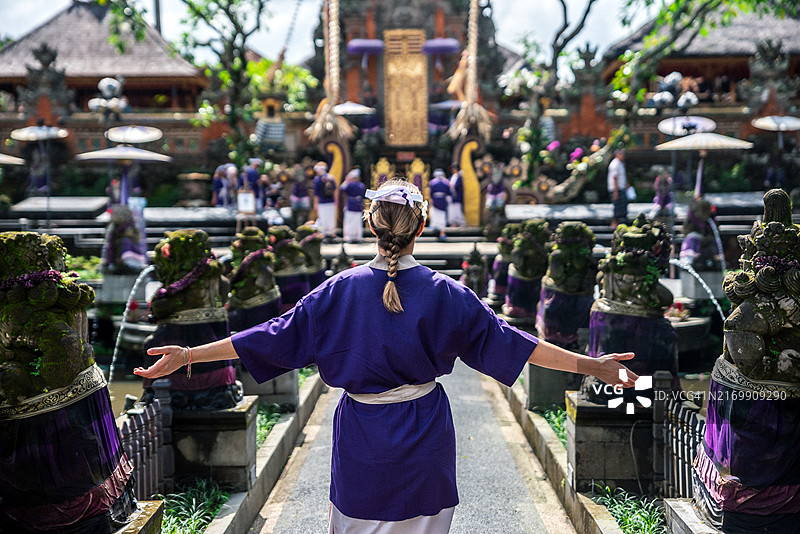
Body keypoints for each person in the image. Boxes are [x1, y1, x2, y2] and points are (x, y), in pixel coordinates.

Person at [134, 179, 638, 533]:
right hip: (425, 436)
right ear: (420, 228)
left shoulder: (338, 291)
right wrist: (593, 365)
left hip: (361, 439)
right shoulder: (446, 293)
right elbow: (516, 344)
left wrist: (189, 355)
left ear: (372, 227)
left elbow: (269, 335)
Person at [313, 161, 338, 242]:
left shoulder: (317, 179)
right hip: (331, 201)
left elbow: (316, 193)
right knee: (331, 217)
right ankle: (331, 233)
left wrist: (315, 203)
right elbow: (335, 190)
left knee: (323, 217)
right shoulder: (331, 177)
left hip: (322, 202)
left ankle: (324, 233)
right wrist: (336, 201)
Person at [340, 168, 366, 243]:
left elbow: (342, 188)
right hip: (358, 205)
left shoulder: (349, 184)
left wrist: (346, 180)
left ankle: (349, 237)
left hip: (350, 205)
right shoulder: (361, 185)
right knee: (358, 222)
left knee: (349, 221)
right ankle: (357, 237)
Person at [608, 148, 628, 228]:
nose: (623, 156)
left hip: (621, 188)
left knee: (622, 206)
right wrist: (615, 191)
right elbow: (615, 177)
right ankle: (614, 223)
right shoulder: (615, 164)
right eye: (621, 154)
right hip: (616, 188)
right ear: (617, 154)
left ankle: (620, 223)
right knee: (617, 206)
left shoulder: (621, 163)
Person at [429, 168, 450, 241]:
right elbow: (448, 192)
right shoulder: (446, 182)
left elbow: (431, 193)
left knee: (436, 215)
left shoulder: (432, 182)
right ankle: (441, 232)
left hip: (436, 200)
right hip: (442, 201)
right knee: (442, 216)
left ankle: (436, 228)